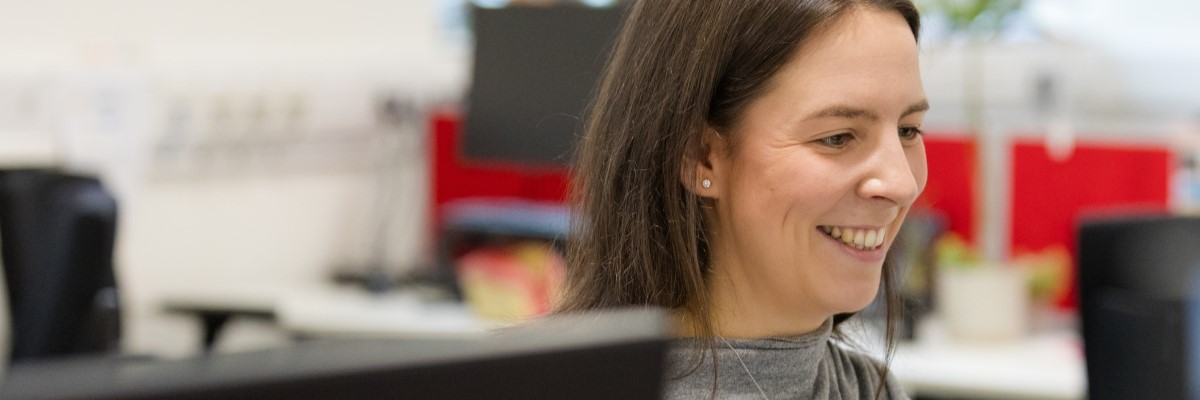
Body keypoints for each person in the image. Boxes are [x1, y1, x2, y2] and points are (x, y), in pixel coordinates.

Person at [556, 0, 927, 399]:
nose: (902, 184)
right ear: (700, 158)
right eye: (836, 138)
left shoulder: (873, 388)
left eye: (908, 130)